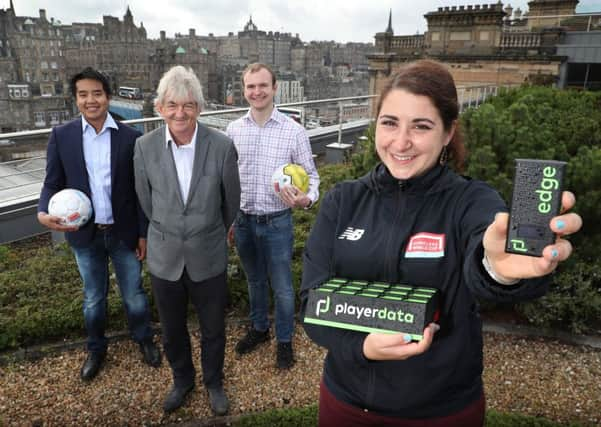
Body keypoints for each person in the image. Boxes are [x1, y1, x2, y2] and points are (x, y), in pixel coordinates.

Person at [300, 60, 583, 427]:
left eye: (421, 126)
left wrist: (499, 268)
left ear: (448, 132)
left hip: (441, 412)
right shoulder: (342, 201)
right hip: (346, 404)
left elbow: (486, 249)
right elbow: (312, 301)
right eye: (390, 123)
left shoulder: (471, 201)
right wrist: (362, 347)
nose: (401, 142)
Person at [37, 67, 161, 382]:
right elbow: (51, 183)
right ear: (75, 99)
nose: (90, 100)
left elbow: (139, 191)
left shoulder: (131, 137)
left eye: (97, 93)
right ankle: (96, 348)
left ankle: (144, 339)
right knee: (93, 297)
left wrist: (143, 233)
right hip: (85, 235)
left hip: (123, 233)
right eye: (83, 94)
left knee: (133, 294)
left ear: (107, 96)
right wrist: (42, 212)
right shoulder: (61, 136)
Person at [134, 66, 240, 415]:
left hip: (207, 254)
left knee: (213, 328)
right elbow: (146, 201)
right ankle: (182, 380)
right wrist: (169, 229)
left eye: (189, 105)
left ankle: (213, 382)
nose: (181, 113)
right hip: (165, 257)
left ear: (200, 107)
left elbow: (231, 203)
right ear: (159, 107)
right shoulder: (144, 147)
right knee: (172, 329)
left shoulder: (222, 146)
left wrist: (206, 230)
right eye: (172, 104)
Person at [226, 63, 320, 369]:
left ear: (275, 87)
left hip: (277, 222)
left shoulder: (293, 131)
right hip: (243, 220)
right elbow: (227, 179)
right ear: (244, 90)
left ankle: (283, 339)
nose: (257, 92)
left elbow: (313, 178)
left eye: (262, 85)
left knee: (281, 286)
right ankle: (259, 328)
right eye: (251, 87)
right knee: (254, 280)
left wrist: (306, 200)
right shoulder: (234, 129)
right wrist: (227, 219)